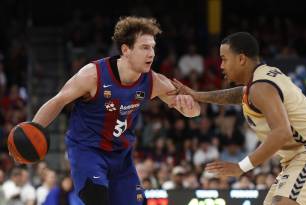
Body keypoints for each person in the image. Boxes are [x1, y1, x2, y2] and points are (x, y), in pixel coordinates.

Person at [11, 16, 200, 205]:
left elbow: (194, 112)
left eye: (152, 47)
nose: (151, 53)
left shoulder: (154, 81)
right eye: (144, 47)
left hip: (121, 157)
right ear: (126, 50)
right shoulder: (92, 75)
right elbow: (58, 101)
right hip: (87, 151)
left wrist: (189, 108)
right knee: (98, 197)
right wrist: (32, 132)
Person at [171, 32, 306, 205]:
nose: (221, 66)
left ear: (241, 59)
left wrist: (241, 167)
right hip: (300, 157)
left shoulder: (261, 87)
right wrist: (197, 95)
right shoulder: (258, 81)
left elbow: (282, 133)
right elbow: (238, 95)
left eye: (224, 59)